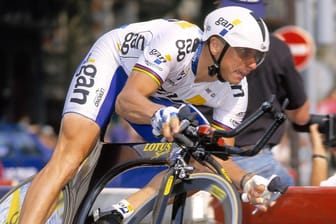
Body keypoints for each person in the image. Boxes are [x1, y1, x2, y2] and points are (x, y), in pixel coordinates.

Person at [19, 6, 276, 224]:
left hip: (157, 93)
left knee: (202, 161)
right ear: (217, 45)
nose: (252, 64)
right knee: (71, 154)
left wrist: (248, 180)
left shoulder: (236, 91)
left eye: (258, 57)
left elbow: (218, 157)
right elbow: (126, 101)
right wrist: (158, 113)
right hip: (116, 67)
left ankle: (120, 212)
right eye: (245, 53)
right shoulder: (178, 41)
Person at [218, 0, 310, 186]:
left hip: (201, 156)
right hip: (253, 158)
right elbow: (301, 116)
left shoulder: (202, 44)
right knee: (295, 204)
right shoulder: (276, 48)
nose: (250, 65)